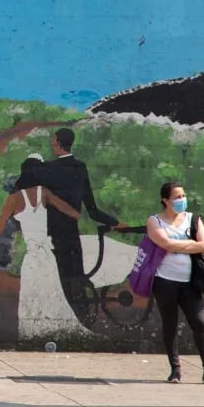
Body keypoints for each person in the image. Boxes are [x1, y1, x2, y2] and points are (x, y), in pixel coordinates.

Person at [0, 155, 92, 341]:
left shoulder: (14, 200)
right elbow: (72, 212)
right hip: (47, 254)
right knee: (53, 294)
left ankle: (33, 334)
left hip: (32, 257)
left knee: (31, 296)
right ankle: (56, 333)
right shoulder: (43, 192)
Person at [146, 181, 204, 385]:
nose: (182, 200)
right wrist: (189, 245)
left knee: (199, 323)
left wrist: (177, 246)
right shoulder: (155, 221)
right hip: (164, 280)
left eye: (183, 196)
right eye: (177, 197)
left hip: (189, 281)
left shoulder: (193, 219)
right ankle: (175, 370)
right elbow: (164, 243)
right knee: (170, 324)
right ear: (166, 200)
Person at [40, 128, 119, 320]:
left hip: (53, 234)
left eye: (53, 140)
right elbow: (92, 209)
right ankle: (84, 318)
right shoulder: (80, 168)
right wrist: (114, 222)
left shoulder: (48, 169)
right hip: (72, 234)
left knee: (60, 281)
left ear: (57, 142)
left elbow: (40, 202)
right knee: (76, 278)